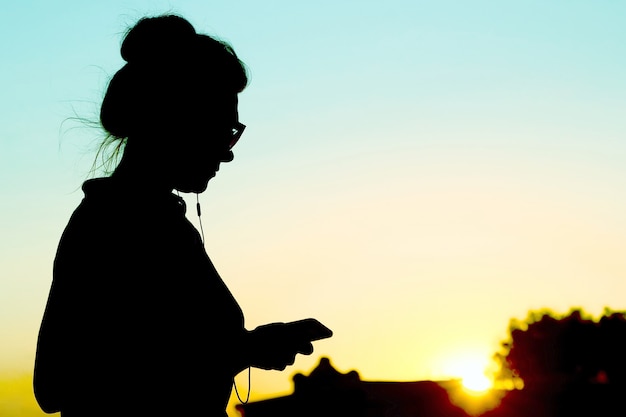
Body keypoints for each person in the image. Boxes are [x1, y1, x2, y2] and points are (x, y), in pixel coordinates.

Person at [33, 14, 331, 417]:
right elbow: (58, 384)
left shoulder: (150, 220)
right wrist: (243, 349)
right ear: (175, 120)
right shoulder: (113, 223)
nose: (228, 151)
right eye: (222, 130)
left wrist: (243, 349)